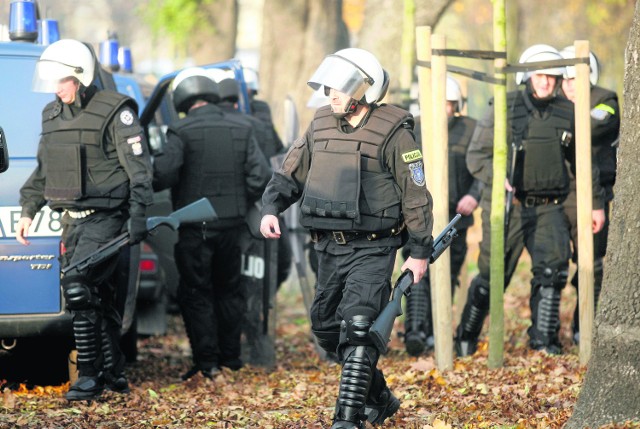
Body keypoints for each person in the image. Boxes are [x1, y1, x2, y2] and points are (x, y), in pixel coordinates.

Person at [259, 48, 434, 429]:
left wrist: (419, 251)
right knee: (325, 327)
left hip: (374, 246)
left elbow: (416, 194)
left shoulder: (396, 132)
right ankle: (381, 398)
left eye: (338, 87)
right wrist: (271, 208)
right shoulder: (320, 123)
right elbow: (291, 173)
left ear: (364, 89)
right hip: (328, 246)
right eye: (328, 86)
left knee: (358, 325)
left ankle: (347, 419)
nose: (330, 93)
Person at [15, 39, 154, 400]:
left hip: (107, 219)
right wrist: (29, 210)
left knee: (77, 285)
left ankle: (88, 377)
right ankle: (114, 373)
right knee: (99, 297)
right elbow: (44, 172)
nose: (56, 88)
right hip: (71, 221)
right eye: (52, 81)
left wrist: (138, 216)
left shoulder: (116, 111)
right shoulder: (51, 115)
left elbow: (139, 171)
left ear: (80, 76)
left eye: (62, 80)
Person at [455, 44, 606, 357]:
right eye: (540, 75)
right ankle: (465, 337)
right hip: (508, 206)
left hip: (549, 206)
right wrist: (499, 178)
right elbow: (476, 155)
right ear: (528, 76)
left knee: (552, 273)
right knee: (491, 275)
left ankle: (543, 341)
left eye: (552, 76)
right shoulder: (504, 107)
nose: (546, 82)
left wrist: (595, 203)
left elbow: (583, 162)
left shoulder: (568, 111)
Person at [153, 68, 271, 379]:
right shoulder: (242, 128)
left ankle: (207, 363)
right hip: (232, 228)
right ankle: (231, 359)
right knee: (230, 292)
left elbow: (163, 174)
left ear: (184, 100)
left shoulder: (180, 130)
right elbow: (261, 177)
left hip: (195, 231)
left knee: (196, 293)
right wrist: (241, 203)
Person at [402, 76, 481, 356]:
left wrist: (474, 195)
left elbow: (483, 169)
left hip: (454, 219)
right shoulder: (411, 131)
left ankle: (437, 331)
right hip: (416, 216)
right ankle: (414, 331)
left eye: (448, 104)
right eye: (438, 105)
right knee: (415, 271)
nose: (443, 110)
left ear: (456, 105)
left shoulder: (471, 130)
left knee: (447, 274)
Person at [559, 47, 620, 345]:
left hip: (596, 191)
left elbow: (595, 124)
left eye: (575, 78)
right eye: (565, 79)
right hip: (561, 193)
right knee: (555, 264)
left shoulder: (605, 100)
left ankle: (586, 326)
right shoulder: (556, 104)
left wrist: (564, 126)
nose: (569, 84)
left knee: (593, 262)